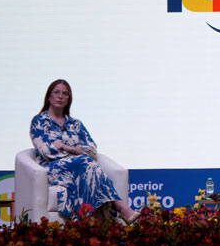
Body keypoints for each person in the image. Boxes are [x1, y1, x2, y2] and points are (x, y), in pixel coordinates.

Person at [29, 79, 139, 223]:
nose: (60, 96)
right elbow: (46, 151)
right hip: (52, 170)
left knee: (87, 167)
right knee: (84, 162)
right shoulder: (39, 121)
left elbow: (92, 150)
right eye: (56, 92)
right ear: (48, 96)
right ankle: (121, 207)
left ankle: (88, 220)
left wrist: (67, 147)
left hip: (81, 168)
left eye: (65, 93)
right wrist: (77, 153)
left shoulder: (76, 124)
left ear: (69, 99)